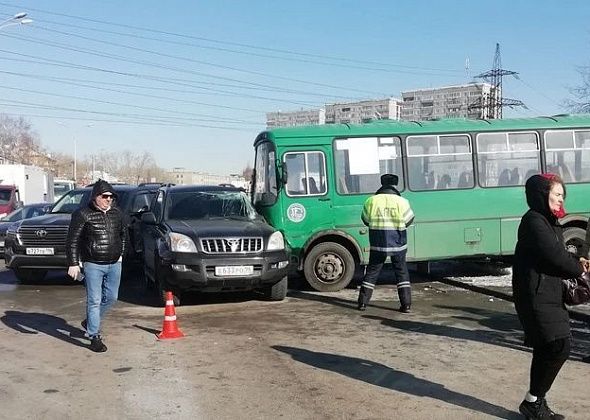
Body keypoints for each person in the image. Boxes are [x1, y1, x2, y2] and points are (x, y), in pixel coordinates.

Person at [512, 173, 589, 419]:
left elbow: (557, 252)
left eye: (562, 195)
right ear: (541, 195)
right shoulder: (534, 221)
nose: (560, 199)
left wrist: (577, 260)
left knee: (550, 347)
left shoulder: (546, 220)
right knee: (558, 346)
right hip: (536, 294)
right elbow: (554, 256)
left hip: (548, 291)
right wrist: (578, 268)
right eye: (556, 194)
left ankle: (534, 402)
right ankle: (533, 402)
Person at [66, 179, 127, 353]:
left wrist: (121, 254)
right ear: (95, 197)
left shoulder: (117, 213)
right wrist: (73, 263)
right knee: (94, 300)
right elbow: (73, 240)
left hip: (115, 263)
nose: (109, 199)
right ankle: (94, 336)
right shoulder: (82, 214)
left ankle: (89, 322)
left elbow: (123, 235)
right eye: (105, 196)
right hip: (93, 264)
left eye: (111, 196)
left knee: (112, 297)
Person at [357, 174, 415, 313]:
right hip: (398, 243)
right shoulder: (402, 201)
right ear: (396, 185)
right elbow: (409, 220)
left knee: (372, 272)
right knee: (401, 272)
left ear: (381, 183)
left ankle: (362, 303)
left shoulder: (371, 201)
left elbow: (365, 219)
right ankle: (406, 305)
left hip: (378, 242)